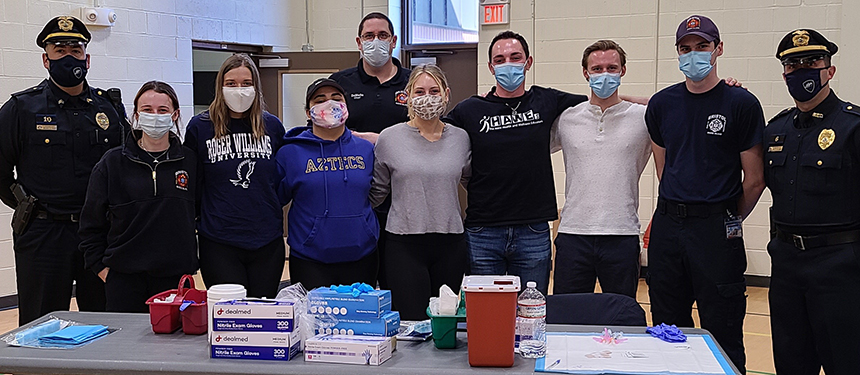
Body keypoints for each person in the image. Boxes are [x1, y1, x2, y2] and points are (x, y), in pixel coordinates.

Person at [645, 15, 765, 374]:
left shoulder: (740, 103)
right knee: (666, 323)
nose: (693, 54)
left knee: (723, 324)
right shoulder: (662, 104)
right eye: (686, 48)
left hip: (715, 228)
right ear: (677, 52)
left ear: (718, 49)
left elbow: (755, 179)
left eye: (702, 46)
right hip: (669, 226)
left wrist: (723, 218)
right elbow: (664, 168)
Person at [0, 16, 126, 325]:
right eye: (59, 49)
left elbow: (123, 166)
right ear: (46, 59)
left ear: (87, 57)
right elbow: (1, 175)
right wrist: (29, 207)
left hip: (100, 233)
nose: (69, 56)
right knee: (41, 323)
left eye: (76, 49)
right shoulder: (21, 108)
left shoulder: (107, 107)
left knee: (106, 319)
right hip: (44, 233)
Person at [445, 30, 589, 295]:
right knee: (486, 313)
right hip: (483, 230)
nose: (507, 64)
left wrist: (651, 104)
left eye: (515, 57)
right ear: (490, 67)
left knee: (532, 312)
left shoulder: (547, 100)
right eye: (499, 59)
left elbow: (598, 104)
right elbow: (428, 132)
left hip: (532, 230)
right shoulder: (469, 110)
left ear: (528, 62)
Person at [765, 29, 860, 374]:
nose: (802, 69)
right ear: (784, 73)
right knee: (791, 364)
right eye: (793, 64)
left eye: (812, 61)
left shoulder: (853, 126)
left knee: (846, 363)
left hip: (840, 269)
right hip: (787, 266)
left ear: (830, 70)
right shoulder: (775, 130)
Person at [79, 81, 198, 313]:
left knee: (172, 347)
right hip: (123, 279)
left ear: (175, 115)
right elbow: (90, 224)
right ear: (135, 115)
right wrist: (103, 271)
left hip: (174, 278)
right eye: (147, 110)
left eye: (162, 110)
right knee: (126, 348)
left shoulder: (190, 161)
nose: (155, 116)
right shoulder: (112, 163)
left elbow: (200, 211)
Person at [550, 40, 650, 298]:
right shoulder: (567, 118)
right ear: (586, 73)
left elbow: (681, 103)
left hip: (622, 234)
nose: (604, 74)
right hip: (573, 234)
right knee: (567, 318)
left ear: (622, 71)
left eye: (611, 67)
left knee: (621, 317)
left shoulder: (643, 117)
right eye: (597, 69)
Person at [370, 65, 470, 320]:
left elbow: (474, 182)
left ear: (446, 94)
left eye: (434, 91)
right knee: (410, 322)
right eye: (420, 91)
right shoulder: (389, 138)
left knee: (444, 320)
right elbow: (376, 193)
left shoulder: (461, 138)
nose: (427, 97)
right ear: (407, 96)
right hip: (404, 244)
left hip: (450, 243)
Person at [184, 54, 286, 298]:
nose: (239, 90)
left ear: (256, 87)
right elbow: (194, 184)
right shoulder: (200, 127)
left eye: (246, 83)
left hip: (266, 240)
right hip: (219, 240)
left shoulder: (272, 127)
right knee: (230, 318)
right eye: (231, 83)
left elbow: (281, 179)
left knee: (262, 317)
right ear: (220, 86)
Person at [329, 12, 412, 289]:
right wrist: (362, 138)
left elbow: (429, 131)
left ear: (394, 41)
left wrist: (385, 139)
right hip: (355, 195)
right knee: (357, 286)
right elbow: (323, 130)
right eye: (369, 36)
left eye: (382, 36)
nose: (376, 42)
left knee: (398, 283)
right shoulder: (340, 83)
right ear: (359, 42)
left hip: (403, 198)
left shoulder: (412, 83)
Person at [275, 78, 378, 290]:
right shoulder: (290, 153)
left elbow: (377, 193)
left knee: (359, 322)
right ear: (307, 111)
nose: (329, 104)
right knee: (314, 323)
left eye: (336, 98)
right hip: (310, 258)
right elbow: (275, 199)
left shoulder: (365, 149)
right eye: (320, 99)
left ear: (346, 106)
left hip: (362, 255)